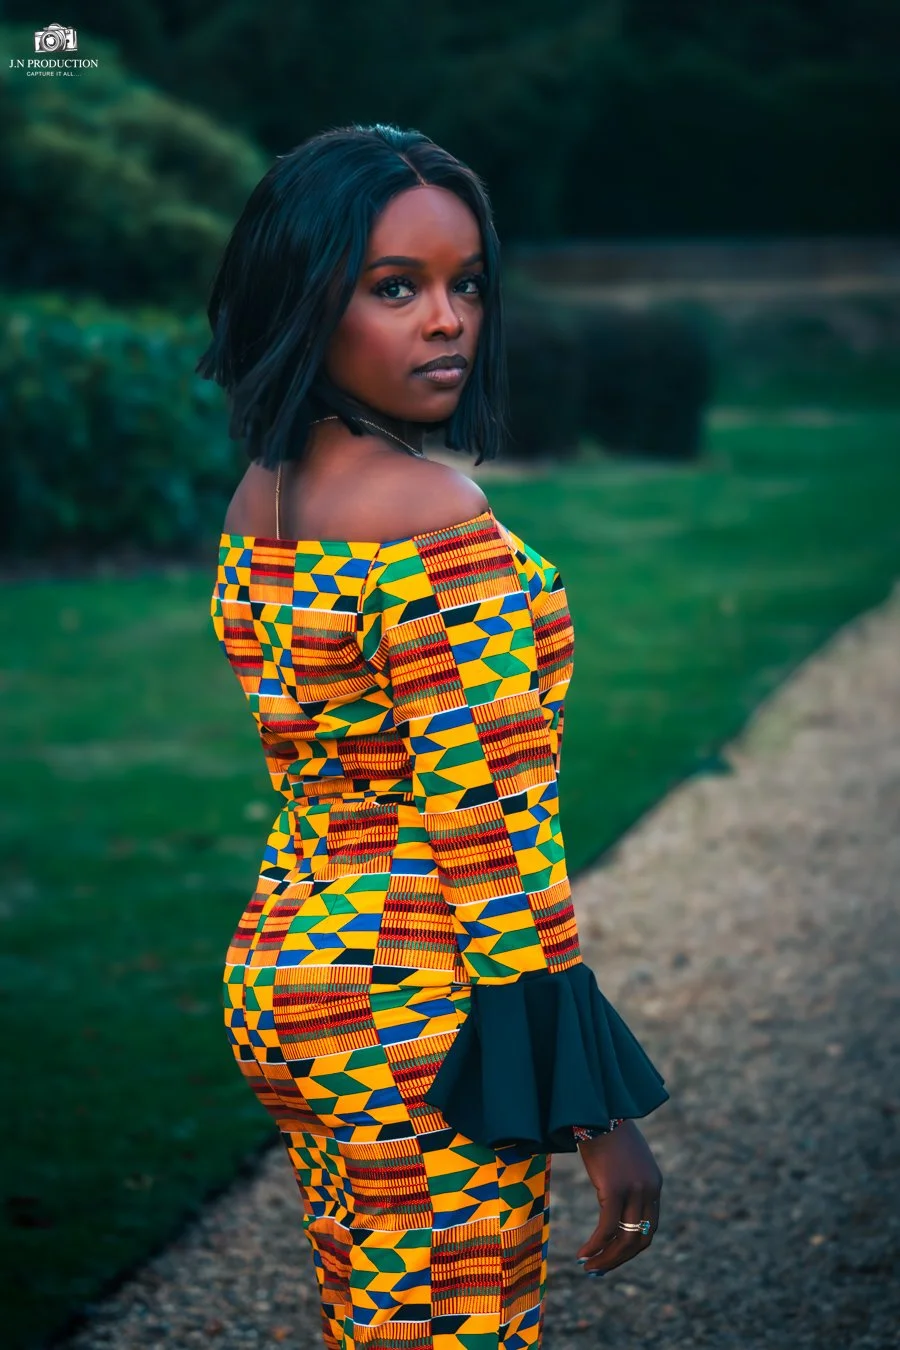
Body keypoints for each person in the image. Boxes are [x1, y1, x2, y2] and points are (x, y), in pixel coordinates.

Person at [200, 122, 668, 1350]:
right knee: (461, 1329)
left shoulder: (269, 492)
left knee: (377, 1315)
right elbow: (496, 832)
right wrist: (599, 1113)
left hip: (288, 974)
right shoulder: (431, 520)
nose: (447, 319)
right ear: (306, 293)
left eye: (465, 284)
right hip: (419, 995)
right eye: (394, 286)